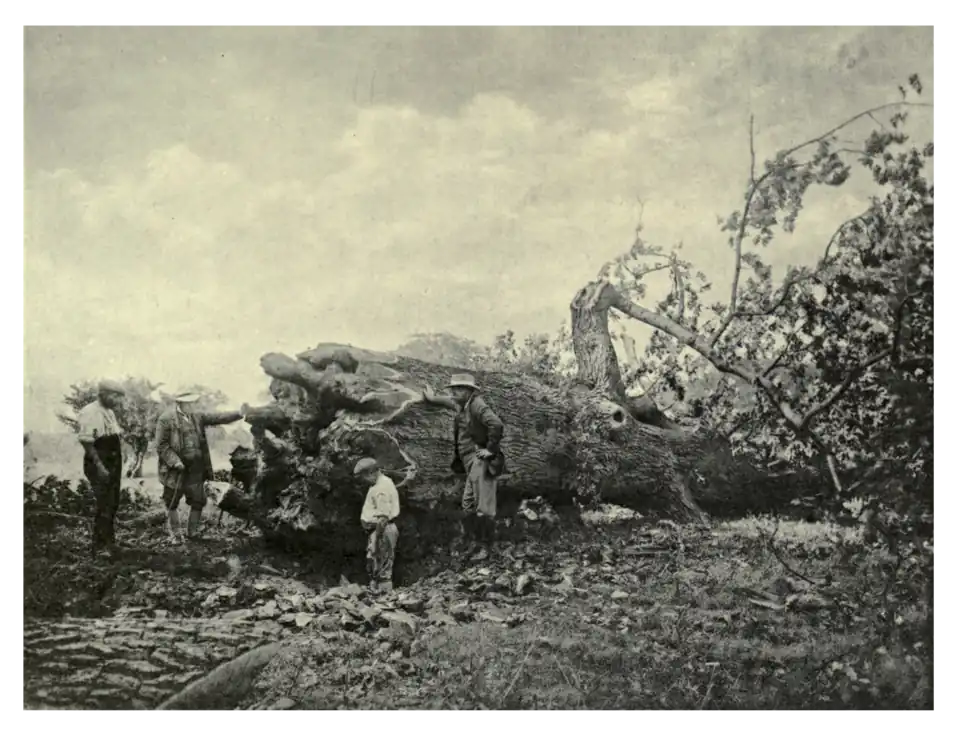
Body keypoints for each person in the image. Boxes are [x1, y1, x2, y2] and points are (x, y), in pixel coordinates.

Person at [155, 390, 245, 543]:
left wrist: (239, 413)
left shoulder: (197, 417)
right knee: (171, 502)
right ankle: (176, 535)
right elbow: (161, 445)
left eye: (193, 403)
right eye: (188, 403)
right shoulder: (166, 419)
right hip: (175, 471)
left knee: (198, 500)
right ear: (179, 403)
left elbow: (217, 417)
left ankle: (193, 532)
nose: (191, 406)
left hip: (196, 469)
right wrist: (175, 461)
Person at [446, 373, 505, 560]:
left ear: (469, 391)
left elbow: (496, 424)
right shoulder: (463, 406)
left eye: (459, 389)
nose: (454, 392)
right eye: (453, 389)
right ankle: (476, 545)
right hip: (471, 463)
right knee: (468, 504)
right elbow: (447, 401)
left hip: (481, 461)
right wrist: (431, 398)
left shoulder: (476, 404)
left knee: (483, 508)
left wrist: (490, 450)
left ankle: (488, 550)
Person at [76, 379, 127, 556]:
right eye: (115, 396)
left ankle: (109, 543)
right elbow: (87, 443)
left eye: (119, 397)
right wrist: (99, 466)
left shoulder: (109, 412)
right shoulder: (90, 412)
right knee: (104, 503)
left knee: (112, 503)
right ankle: (99, 547)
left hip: (112, 461)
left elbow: (113, 436)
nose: (118, 401)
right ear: (103, 394)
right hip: (99, 461)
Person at [355, 457, 400, 593]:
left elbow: (382, 519)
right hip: (379, 530)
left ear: (371, 473)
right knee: (376, 565)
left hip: (383, 530)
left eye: (363, 478)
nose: (363, 481)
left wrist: (375, 542)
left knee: (382, 567)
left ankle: (384, 597)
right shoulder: (380, 483)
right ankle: (375, 595)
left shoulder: (381, 488)